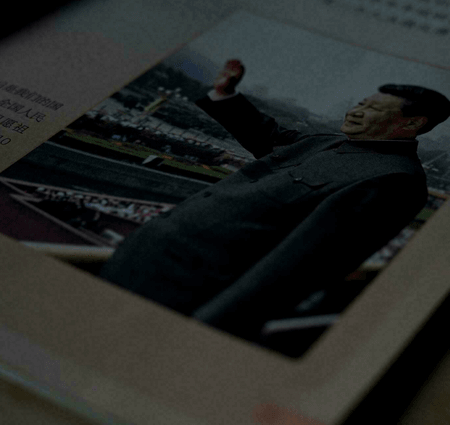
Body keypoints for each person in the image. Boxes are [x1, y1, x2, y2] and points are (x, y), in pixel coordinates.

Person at [100, 59, 450, 339]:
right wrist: (226, 95)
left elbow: (298, 266)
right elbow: (271, 136)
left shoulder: (394, 181)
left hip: (186, 291)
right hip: (143, 258)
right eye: (361, 102)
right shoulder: (327, 141)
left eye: (373, 109)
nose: (356, 110)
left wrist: (208, 328)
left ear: (411, 124)